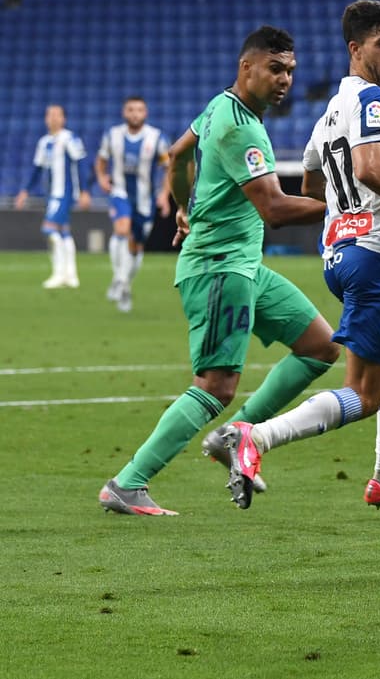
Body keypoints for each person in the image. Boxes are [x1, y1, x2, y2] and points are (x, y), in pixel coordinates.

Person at [212, 0, 380, 510]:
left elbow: (311, 182)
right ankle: (256, 438)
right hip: (373, 259)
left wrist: (343, 214)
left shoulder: (327, 114)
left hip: (341, 256)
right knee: (364, 396)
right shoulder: (372, 102)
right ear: (355, 48)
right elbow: (369, 168)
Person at [98, 26, 340, 516]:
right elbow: (273, 208)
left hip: (244, 265)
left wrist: (183, 207)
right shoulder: (242, 128)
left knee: (320, 346)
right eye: (275, 69)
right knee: (215, 384)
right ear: (246, 67)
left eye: (290, 71)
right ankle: (128, 482)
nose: (285, 80)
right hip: (218, 269)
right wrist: (346, 204)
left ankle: (236, 437)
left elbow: (177, 154)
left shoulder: (220, 106)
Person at [95, 96, 171, 311]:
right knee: (122, 228)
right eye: (131, 109)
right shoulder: (113, 135)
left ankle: (125, 286)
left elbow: (169, 169)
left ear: (145, 113)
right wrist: (102, 178)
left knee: (136, 247)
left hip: (145, 200)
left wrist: (164, 195)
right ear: (124, 113)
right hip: (120, 193)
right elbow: (101, 161)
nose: (135, 113)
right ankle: (119, 278)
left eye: (139, 110)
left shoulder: (156, 137)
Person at [14, 105, 92, 289]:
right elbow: (36, 169)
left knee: (48, 230)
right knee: (63, 232)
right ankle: (71, 275)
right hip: (51, 195)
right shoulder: (43, 142)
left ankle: (59, 273)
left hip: (64, 193)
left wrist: (84, 191)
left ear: (64, 119)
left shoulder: (70, 139)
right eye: (50, 114)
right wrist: (25, 190)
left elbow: (81, 164)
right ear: (46, 119)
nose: (54, 118)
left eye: (58, 114)